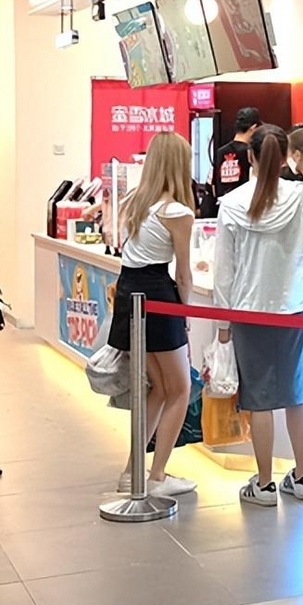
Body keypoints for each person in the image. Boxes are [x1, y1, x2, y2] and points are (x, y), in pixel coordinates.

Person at [214, 124, 303, 506]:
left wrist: (223, 324)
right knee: (295, 394)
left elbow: (224, 271)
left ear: (250, 157)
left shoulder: (233, 203)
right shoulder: (302, 196)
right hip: (295, 307)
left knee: (258, 399)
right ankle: (302, 476)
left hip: (250, 310)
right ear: (287, 155)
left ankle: (265, 483)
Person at [107, 131, 198, 499]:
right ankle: (157, 475)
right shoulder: (177, 213)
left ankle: (133, 471)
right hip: (159, 297)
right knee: (179, 388)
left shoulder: (134, 203)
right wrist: (185, 314)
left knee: (158, 388)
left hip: (130, 296)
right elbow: (184, 273)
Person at [213, 106, 261, 199]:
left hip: (223, 204)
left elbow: (212, 186)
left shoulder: (220, 152)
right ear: (253, 128)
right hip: (245, 203)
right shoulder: (252, 152)